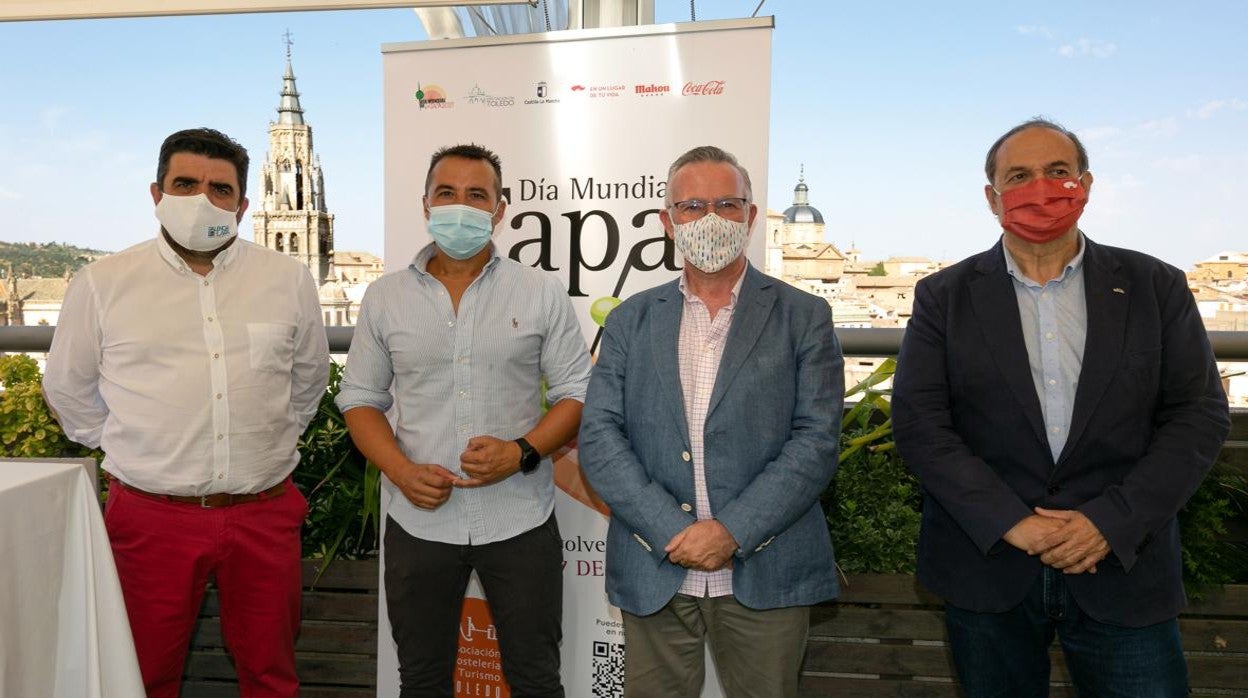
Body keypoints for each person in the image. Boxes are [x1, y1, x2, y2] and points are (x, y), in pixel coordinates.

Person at [891, 118, 1231, 696]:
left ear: (1087, 184)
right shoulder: (944, 296)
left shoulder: (1156, 285)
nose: (1040, 189)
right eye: (1019, 176)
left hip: (1124, 568)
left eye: (1058, 172)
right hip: (990, 568)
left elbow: (1198, 415)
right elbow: (921, 425)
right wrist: (1012, 522)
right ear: (991, 196)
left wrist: (1110, 522)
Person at [43, 127, 330, 697]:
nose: (203, 199)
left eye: (220, 189)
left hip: (264, 514)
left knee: (272, 675)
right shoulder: (103, 284)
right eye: (186, 184)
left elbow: (308, 382)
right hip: (151, 520)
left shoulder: (288, 280)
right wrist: (138, 446)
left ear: (244, 204)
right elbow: (68, 390)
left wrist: (261, 448)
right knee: (142, 675)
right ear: (157, 193)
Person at [578, 145, 844, 697]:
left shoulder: (804, 316)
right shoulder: (631, 319)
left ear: (750, 216)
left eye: (727, 203)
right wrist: (672, 531)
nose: (710, 219)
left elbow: (815, 441)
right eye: (693, 206)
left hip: (765, 569)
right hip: (657, 565)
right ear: (668, 223)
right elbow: (600, 437)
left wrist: (731, 532)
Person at [335, 143, 591, 697]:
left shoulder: (540, 292)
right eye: (446, 193)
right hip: (419, 524)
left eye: (477, 195)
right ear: (425, 203)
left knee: (537, 680)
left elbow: (577, 393)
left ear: (500, 209)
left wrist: (522, 451)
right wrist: (401, 472)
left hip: (520, 520)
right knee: (421, 681)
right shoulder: (385, 298)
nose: (461, 205)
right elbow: (359, 399)